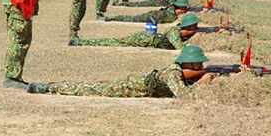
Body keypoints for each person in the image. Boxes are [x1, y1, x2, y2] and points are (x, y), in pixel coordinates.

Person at [29, 44, 221, 97]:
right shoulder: (173, 72)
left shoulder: (179, 71)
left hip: (137, 84)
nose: (202, 67)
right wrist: (202, 83)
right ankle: (49, 87)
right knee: (89, 89)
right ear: (190, 62)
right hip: (132, 87)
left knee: (94, 86)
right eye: (199, 64)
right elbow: (184, 97)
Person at [69, 13, 200, 50]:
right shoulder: (174, 32)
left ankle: (79, 42)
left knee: (115, 42)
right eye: (194, 28)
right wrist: (195, 38)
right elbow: (180, 47)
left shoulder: (177, 30)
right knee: (114, 42)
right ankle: (79, 42)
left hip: (148, 38)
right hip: (144, 39)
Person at [104, 0, 193, 24]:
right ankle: (112, 18)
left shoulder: (171, 9)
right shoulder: (171, 14)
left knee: (131, 17)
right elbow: (173, 18)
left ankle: (112, 17)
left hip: (152, 15)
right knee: (131, 19)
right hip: (150, 17)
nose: (185, 10)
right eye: (184, 8)